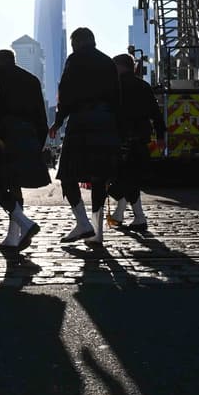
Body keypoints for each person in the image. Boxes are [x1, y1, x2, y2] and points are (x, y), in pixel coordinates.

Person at [50, 27, 121, 245]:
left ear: (76, 43)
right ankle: (97, 232)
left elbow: (66, 93)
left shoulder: (75, 60)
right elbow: (118, 98)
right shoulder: (108, 62)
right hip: (106, 122)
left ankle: (82, 223)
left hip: (81, 122)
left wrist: (59, 120)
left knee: (68, 176)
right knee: (99, 178)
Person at [0, 48, 50, 253]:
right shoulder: (32, 80)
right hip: (29, 137)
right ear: (14, 60)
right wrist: (37, 144)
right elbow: (42, 117)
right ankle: (13, 237)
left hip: (3, 137)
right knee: (14, 187)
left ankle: (25, 222)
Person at [108, 53, 167, 232]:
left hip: (120, 140)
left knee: (122, 180)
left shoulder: (114, 87)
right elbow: (156, 114)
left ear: (119, 67)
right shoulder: (143, 86)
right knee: (131, 179)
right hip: (140, 140)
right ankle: (136, 217)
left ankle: (131, 215)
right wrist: (161, 136)